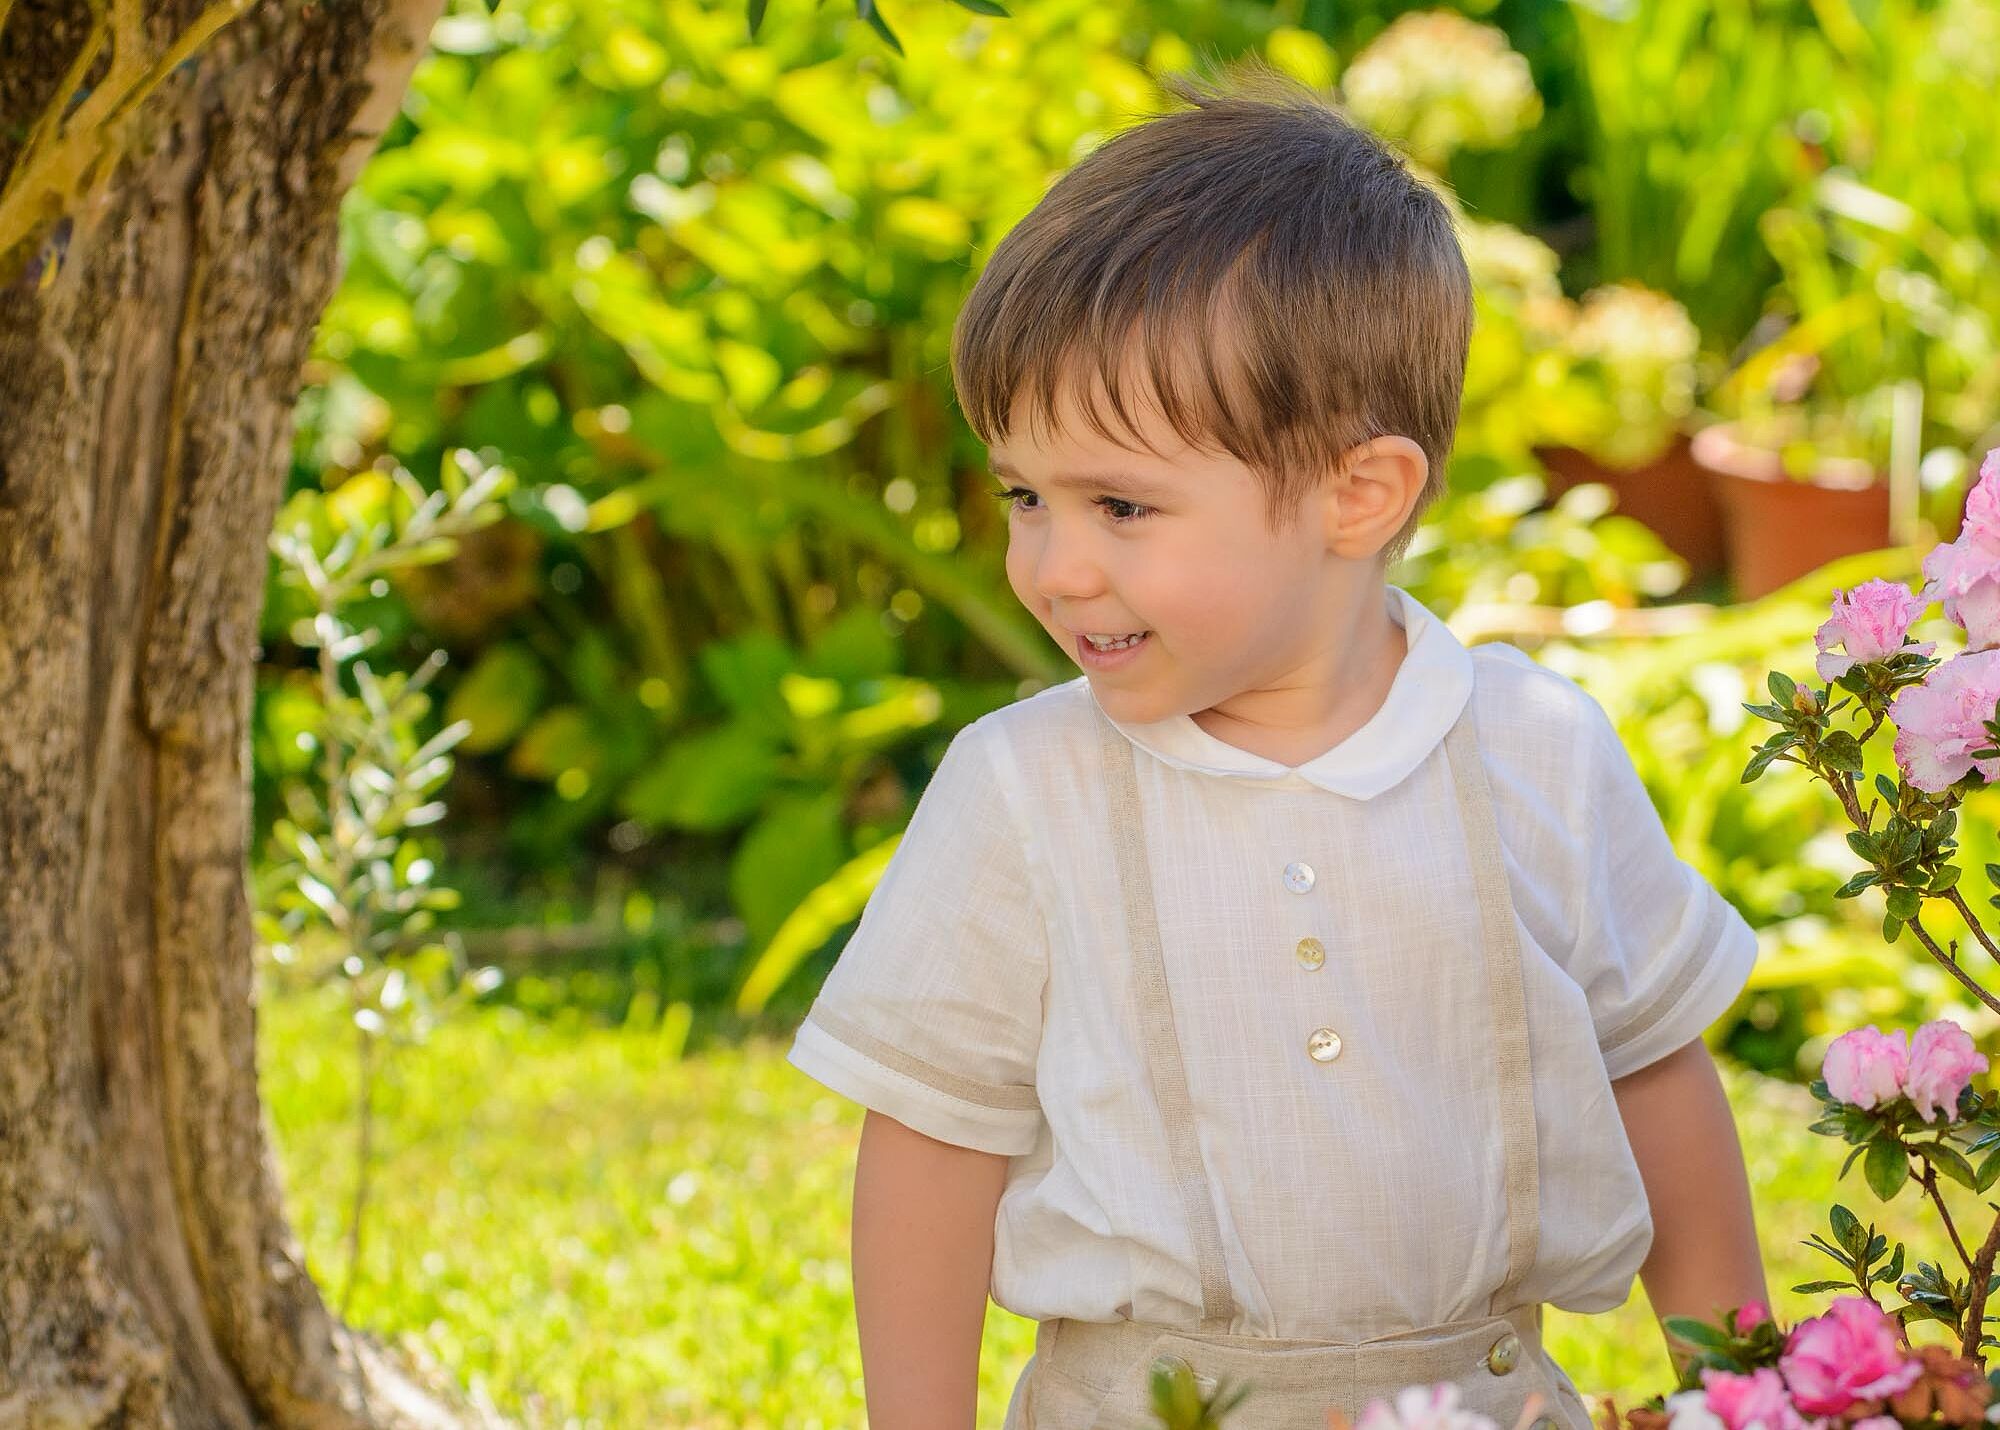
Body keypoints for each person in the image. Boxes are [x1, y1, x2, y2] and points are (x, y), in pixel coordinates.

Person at [785, 57, 1769, 1430]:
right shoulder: (1025, 791)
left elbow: (1655, 1070)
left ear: (1356, 494)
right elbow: (932, 1148)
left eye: (1121, 507)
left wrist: (1749, 1397)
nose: (1054, 566)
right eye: (1024, 494)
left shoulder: (1534, 752)